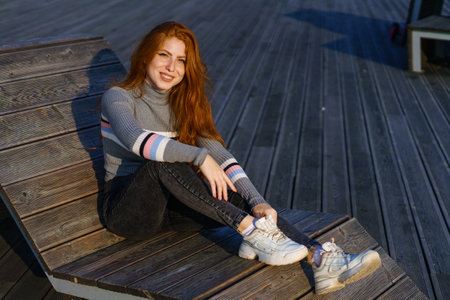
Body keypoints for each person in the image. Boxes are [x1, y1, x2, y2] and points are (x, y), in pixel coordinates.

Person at [100, 21, 381, 295]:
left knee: (228, 187)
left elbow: (220, 156)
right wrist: (199, 157)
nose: (172, 68)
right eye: (164, 55)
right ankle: (251, 231)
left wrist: (257, 201)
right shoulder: (119, 97)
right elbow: (138, 142)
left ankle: (320, 258)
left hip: (171, 209)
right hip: (128, 211)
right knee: (161, 162)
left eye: (181, 60)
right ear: (146, 55)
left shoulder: (184, 104)